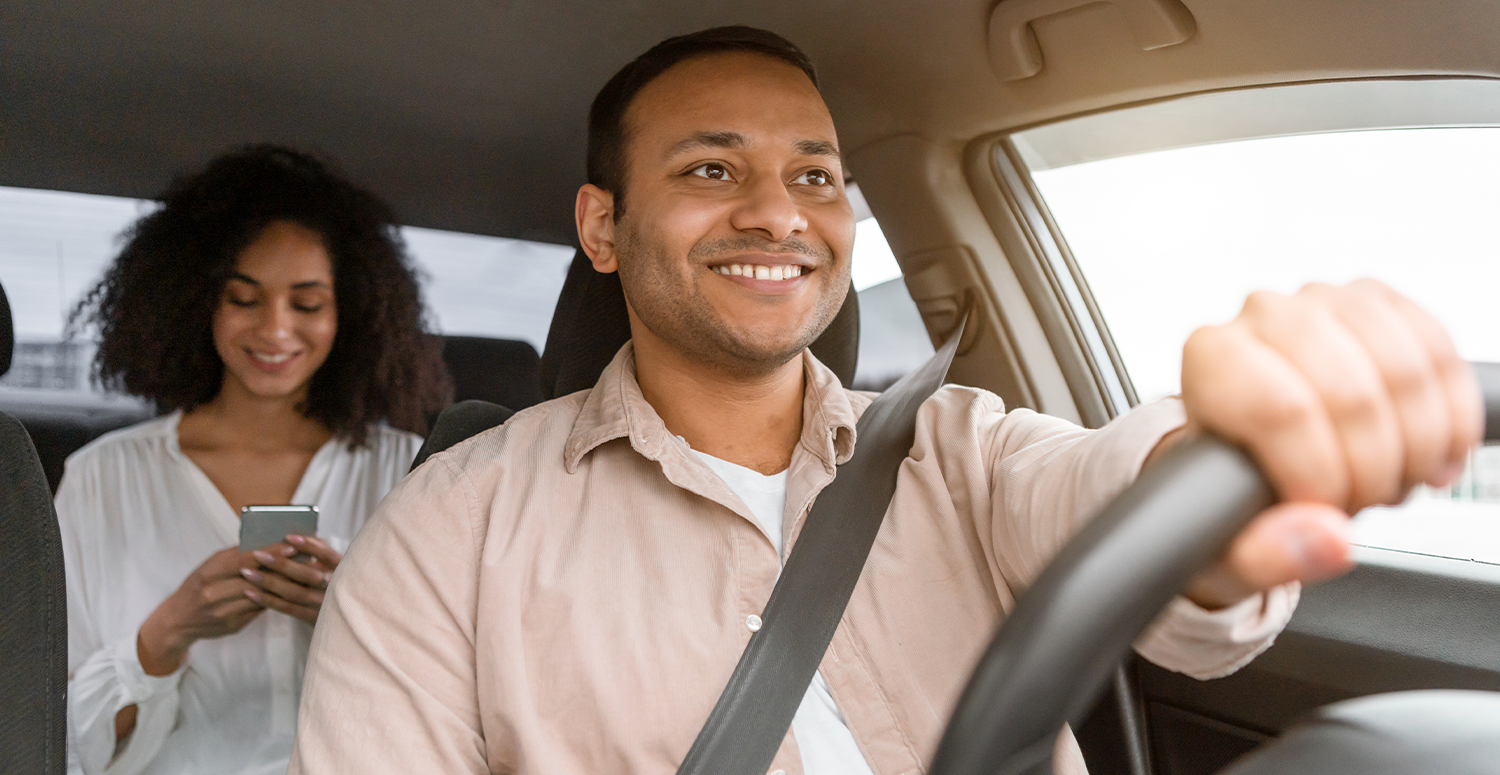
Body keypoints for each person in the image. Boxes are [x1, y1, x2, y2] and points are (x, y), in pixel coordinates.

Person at [288, 27, 1482, 775]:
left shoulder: (959, 446)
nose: (779, 211)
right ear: (603, 227)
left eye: (815, 174)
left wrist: (1221, 459)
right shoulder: (449, 527)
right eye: (713, 169)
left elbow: (1104, 494)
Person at [59, 145, 451, 775]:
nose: (274, 331)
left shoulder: (414, 474)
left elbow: (469, 714)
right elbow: (62, 743)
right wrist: (165, 635)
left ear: (350, 313)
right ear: (197, 303)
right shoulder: (103, 479)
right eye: (244, 298)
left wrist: (358, 613)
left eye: (307, 303)